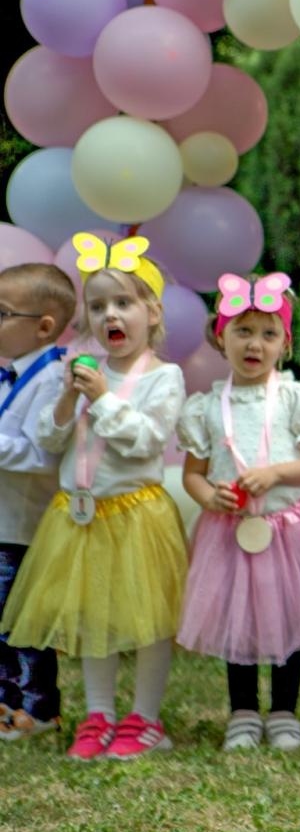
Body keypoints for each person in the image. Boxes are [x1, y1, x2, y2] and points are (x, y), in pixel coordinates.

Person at [0, 235, 188, 760]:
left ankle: (145, 718)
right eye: (99, 306)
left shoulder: (163, 376)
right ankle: (99, 715)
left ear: (153, 312)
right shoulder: (85, 371)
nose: (111, 315)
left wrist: (102, 400)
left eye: (124, 302)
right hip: (78, 517)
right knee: (92, 620)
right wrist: (67, 397)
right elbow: (50, 437)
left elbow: (145, 440)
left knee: (148, 623)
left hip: (135, 514)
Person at [177, 273, 300, 750]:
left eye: (268, 333)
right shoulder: (206, 408)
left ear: (285, 344)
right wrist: (208, 497)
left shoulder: (296, 398)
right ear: (221, 337)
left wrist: (277, 473)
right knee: (238, 620)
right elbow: (193, 473)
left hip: (288, 530)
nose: (254, 344)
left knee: (288, 620)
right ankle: (242, 712)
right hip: (229, 531)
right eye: (242, 331)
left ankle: (283, 713)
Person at [0, 263, 74, 741]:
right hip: (4, 521)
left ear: (43, 327)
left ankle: (37, 708)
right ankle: (8, 703)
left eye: (2, 313)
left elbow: (42, 455)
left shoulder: (51, 380)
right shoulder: (10, 373)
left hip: (23, 528)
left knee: (20, 624)